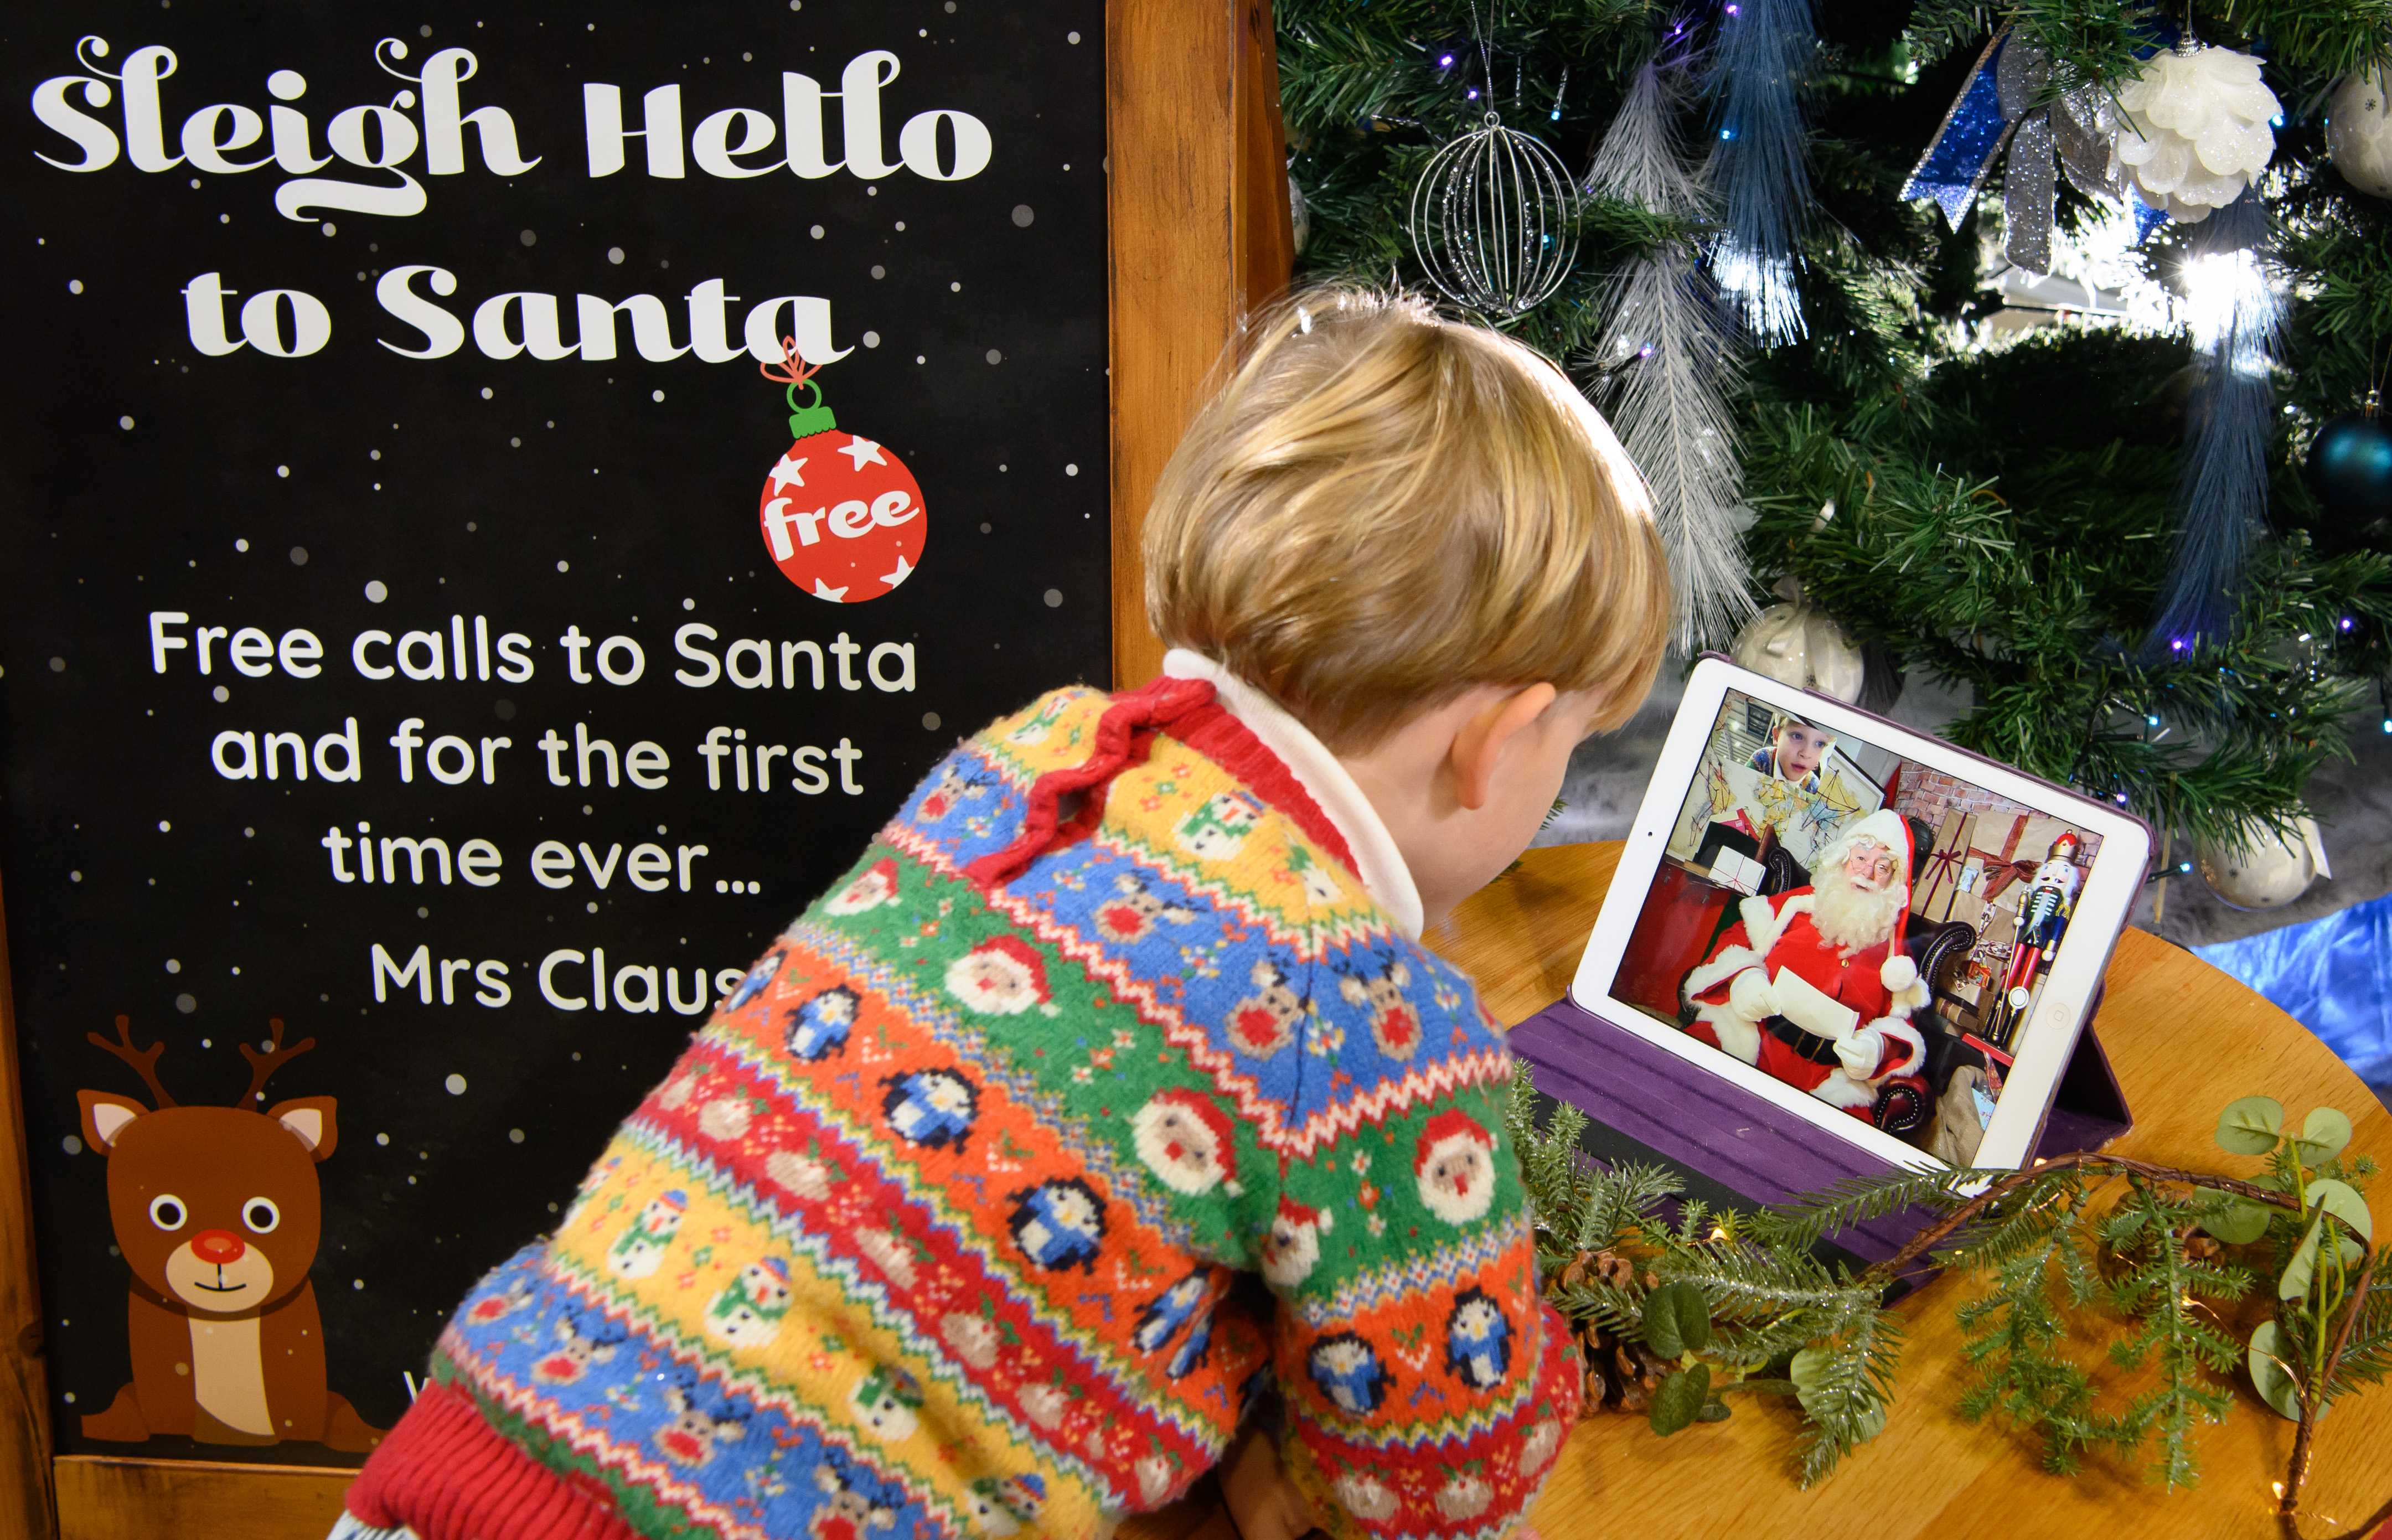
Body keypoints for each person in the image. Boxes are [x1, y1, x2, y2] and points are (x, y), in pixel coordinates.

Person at [329, 287, 1670, 1540]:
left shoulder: (1033, 759)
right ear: (1499, 742)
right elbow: (1444, 1473)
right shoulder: (1366, 1015)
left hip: (471, 1449)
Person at [1680, 809, 1933, 1119]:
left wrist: (1878, 1048)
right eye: (1861, 859)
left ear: (1892, 882)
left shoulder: (1897, 958)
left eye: (1882, 868)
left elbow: (1902, 1031)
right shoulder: (1798, 904)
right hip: (1755, 1039)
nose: (1867, 873)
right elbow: (1736, 937)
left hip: (1824, 1081)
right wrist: (1744, 979)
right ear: (1844, 857)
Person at [1748, 714, 1835, 792]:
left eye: (1820, 744)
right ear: (1776, 736)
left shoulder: (1814, 787)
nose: (1806, 754)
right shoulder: (1762, 758)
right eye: (1797, 736)